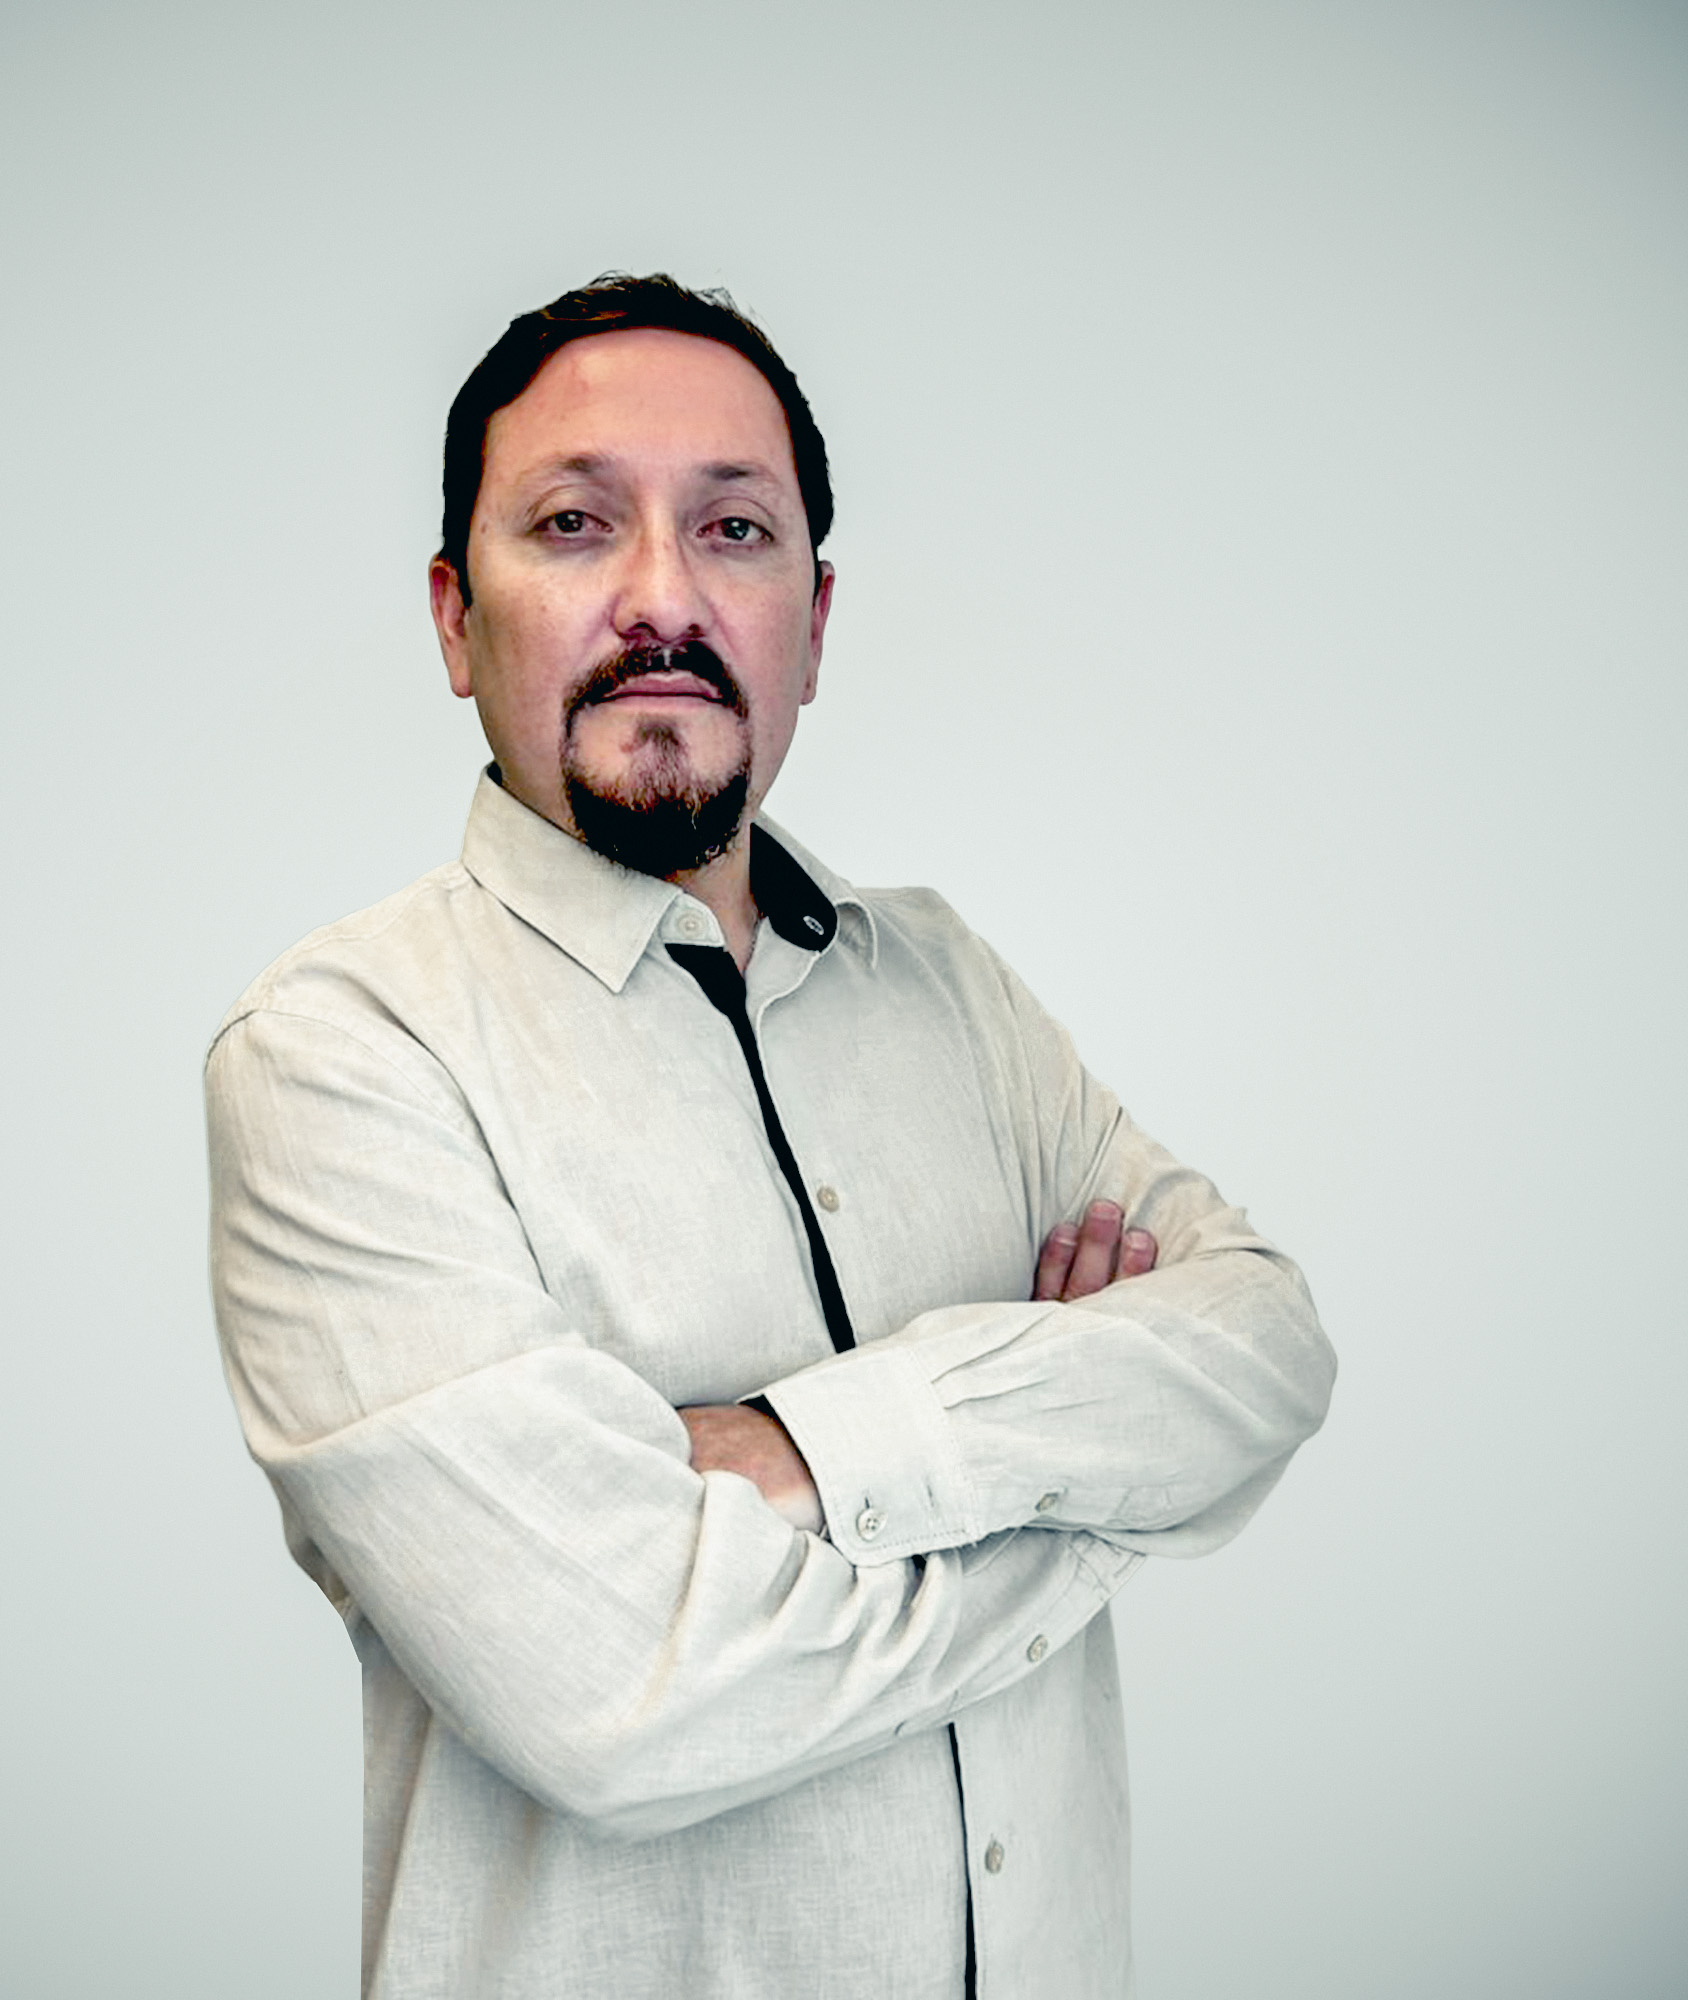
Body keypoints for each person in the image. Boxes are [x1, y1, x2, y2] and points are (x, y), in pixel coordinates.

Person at [204, 274, 1334, 2000]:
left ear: (812, 619)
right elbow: (629, 1695)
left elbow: (1263, 1346)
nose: (663, 597)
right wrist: (1098, 1484)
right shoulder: (343, 1054)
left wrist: (809, 1450)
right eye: (574, 523)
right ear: (453, 618)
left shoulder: (951, 987)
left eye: (732, 529)